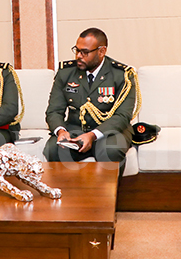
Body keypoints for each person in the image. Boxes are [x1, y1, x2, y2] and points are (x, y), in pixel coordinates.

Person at [44, 27, 139, 172]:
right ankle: (67, 194)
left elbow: (122, 116)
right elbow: (54, 111)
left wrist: (93, 135)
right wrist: (61, 131)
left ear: (101, 51)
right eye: (77, 50)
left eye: (85, 52)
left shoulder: (122, 75)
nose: (79, 56)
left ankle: (106, 195)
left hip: (110, 131)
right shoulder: (66, 73)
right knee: (53, 149)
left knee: (109, 151)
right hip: (75, 129)